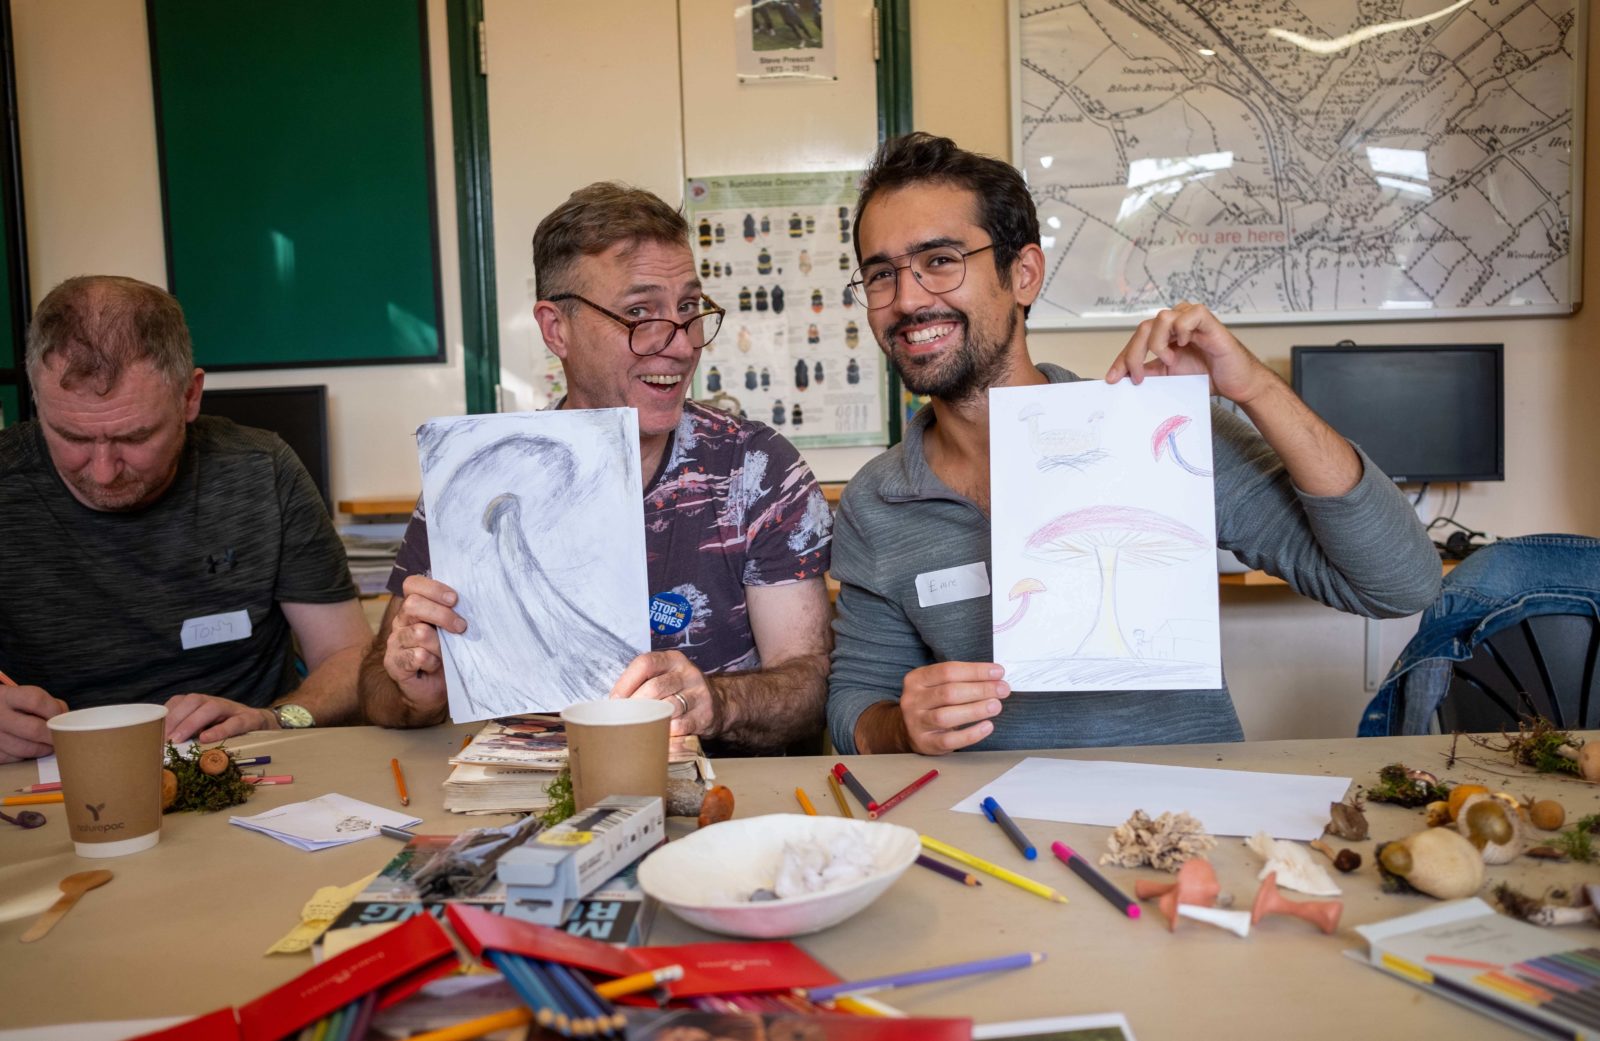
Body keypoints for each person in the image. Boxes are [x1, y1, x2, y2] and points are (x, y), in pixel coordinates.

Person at [827, 133, 1442, 756]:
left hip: (1184, 815)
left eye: (940, 260)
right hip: (990, 826)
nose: (906, 299)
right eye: (882, 275)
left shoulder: (1157, 437)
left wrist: (1254, 387)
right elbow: (855, 703)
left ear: (1023, 274)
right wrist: (902, 726)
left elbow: (1400, 585)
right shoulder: (877, 502)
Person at [360, 183, 833, 754]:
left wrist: (716, 700)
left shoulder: (755, 470)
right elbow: (378, 692)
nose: (680, 345)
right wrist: (415, 688)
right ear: (556, 328)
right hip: (532, 799)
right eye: (639, 313)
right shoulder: (482, 475)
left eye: (688, 309)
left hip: (725, 802)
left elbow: (809, 689)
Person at [0, 276, 372, 763]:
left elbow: (348, 654)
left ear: (190, 396)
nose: (103, 470)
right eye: (70, 435)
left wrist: (278, 717)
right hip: (40, 782)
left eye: (135, 438)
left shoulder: (262, 469)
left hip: (244, 766)